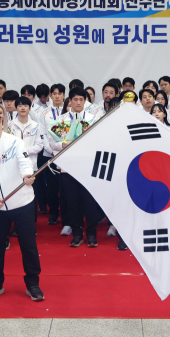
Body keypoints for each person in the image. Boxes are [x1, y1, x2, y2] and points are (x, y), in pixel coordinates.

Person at [0, 110, 43, 302]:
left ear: (1, 121)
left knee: (28, 245)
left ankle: (33, 284)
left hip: (22, 203)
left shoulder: (15, 142)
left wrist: (27, 176)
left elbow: (25, 163)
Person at [50, 88, 100, 247]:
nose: (78, 103)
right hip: (68, 167)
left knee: (90, 202)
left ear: (85, 101)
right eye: (75, 99)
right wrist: (62, 144)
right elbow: (52, 144)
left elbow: (100, 142)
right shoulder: (61, 120)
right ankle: (77, 233)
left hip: (88, 168)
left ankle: (91, 234)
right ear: (69, 101)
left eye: (81, 100)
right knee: (72, 202)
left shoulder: (94, 119)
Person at [10, 96, 45, 220]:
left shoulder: (36, 126)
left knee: (31, 195)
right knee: (16, 195)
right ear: (16, 108)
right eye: (19, 105)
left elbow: (40, 145)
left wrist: (23, 152)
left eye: (25, 105)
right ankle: (15, 222)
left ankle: (31, 222)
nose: (22, 108)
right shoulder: (10, 126)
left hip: (31, 166)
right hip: (13, 166)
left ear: (30, 108)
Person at [39, 84, 66, 228]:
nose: (56, 96)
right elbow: (42, 133)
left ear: (63, 95)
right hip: (49, 154)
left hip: (66, 153)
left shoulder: (68, 110)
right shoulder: (45, 113)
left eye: (59, 93)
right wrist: (50, 149)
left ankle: (66, 215)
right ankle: (54, 213)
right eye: (54, 93)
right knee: (52, 186)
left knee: (65, 186)